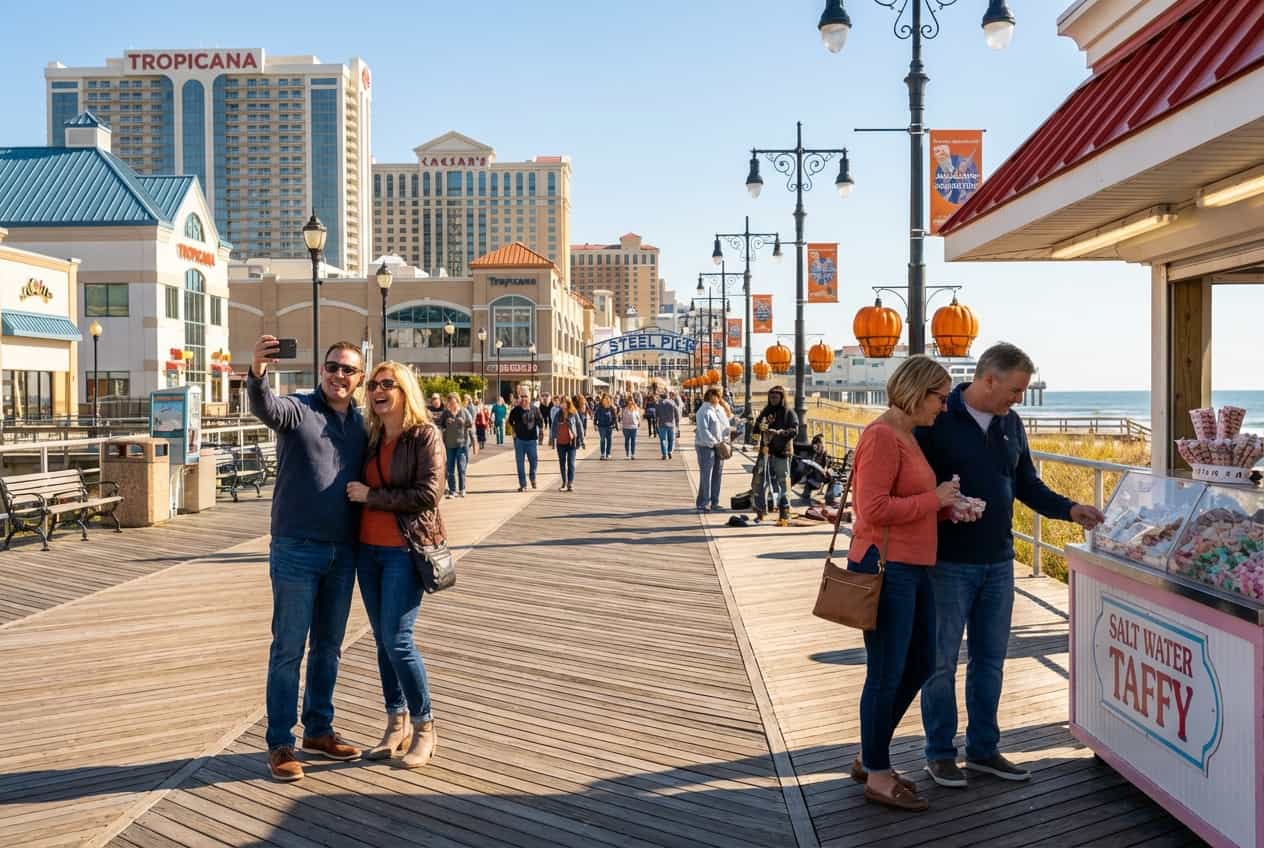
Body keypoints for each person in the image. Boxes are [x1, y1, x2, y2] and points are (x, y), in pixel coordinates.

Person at [916, 343, 1105, 788]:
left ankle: (983, 750)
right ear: (988, 379)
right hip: (947, 563)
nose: (1019, 398)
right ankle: (940, 753)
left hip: (999, 563)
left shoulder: (1011, 423)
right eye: (1016, 389)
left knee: (991, 661)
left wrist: (1070, 508)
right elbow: (915, 485)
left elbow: (1026, 484)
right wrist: (944, 505)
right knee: (940, 663)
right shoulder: (938, 419)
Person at [248, 335, 367, 782]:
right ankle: (280, 742)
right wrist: (258, 372)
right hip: (296, 548)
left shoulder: (361, 424)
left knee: (329, 649)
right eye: (332, 367)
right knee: (288, 648)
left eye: (348, 370)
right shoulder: (299, 410)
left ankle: (319, 729)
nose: (339, 375)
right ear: (322, 371)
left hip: (344, 551)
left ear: (359, 378)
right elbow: (266, 408)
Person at [847, 355, 962, 811]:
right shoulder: (881, 436)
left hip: (912, 567)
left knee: (918, 664)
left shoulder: (907, 437)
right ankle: (876, 773)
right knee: (886, 672)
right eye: (939, 397)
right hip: (886, 567)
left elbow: (906, 500)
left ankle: (870, 755)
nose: (944, 407)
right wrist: (931, 500)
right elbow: (871, 509)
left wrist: (943, 506)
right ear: (916, 391)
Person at [345, 360, 444, 769]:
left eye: (388, 384)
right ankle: (395, 722)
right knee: (383, 640)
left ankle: (426, 727)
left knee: (398, 639)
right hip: (367, 552)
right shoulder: (370, 438)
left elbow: (429, 493)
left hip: (405, 550)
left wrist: (372, 496)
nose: (378, 390)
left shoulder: (424, 436)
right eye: (372, 385)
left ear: (405, 391)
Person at [754, 386, 799, 526]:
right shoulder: (765, 411)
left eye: (776, 396)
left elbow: (794, 430)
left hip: (782, 452)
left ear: (781, 397)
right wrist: (756, 437)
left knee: (783, 483)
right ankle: (761, 510)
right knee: (759, 480)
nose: (773, 399)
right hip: (766, 452)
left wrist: (779, 433)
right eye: (771, 396)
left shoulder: (788, 412)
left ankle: (784, 513)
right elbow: (756, 428)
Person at [693, 387, 730, 512]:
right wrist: (715, 443)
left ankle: (715, 501)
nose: (720, 398)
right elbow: (704, 431)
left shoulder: (719, 410)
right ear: (711, 396)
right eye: (718, 395)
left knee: (717, 474)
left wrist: (725, 440)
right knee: (706, 474)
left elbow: (725, 426)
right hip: (705, 447)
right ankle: (703, 502)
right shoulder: (703, 411)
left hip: (719, 445)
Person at [437, 393, 473, 497]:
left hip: (462, 444)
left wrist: (464, 422)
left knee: (461, 467)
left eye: (454, 402)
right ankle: (452, 490)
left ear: (458, 402)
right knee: (450, 469)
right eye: (450, 403)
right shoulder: (446, 413)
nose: (453, 405)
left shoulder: (464, 411)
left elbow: (470, 424)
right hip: (449, 444)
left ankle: (462, 489)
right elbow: (440, 425)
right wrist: (445, 425)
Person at [508, 390, 544, 491]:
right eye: (522, 396)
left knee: (534, 461)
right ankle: (523, 485)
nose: (524, 398)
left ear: (529, 397)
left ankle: (532, 477)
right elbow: (510, 421)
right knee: (520, 463)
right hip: (519, 441)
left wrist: (541, 431)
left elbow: (540, 421)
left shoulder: (535, 409)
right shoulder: (516, 410)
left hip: (532, 440)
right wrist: (513, 431)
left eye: (526, 396)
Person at [550, 397, 585, 492]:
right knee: (562, 463)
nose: (563, 404)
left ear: (569, 403)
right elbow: (553, 427)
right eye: (562, 403)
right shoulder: (558, 414)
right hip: (560, 442)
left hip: (571, 442)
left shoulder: (573, 413)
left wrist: (582, 440)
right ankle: (564, 482)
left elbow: (579, 425)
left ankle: (570, 483)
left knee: (571, 463)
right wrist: (552, 440)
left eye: (565, 403)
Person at [655, 392, 680, 460]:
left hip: (662, 424)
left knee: (663, 440)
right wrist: (677, 423)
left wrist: (656, 423)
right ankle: (670, 451)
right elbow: (677, 413)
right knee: (671, 439)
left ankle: (664, 454)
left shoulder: (658, 403)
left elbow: (656, 415)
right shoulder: (672, 402)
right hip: (671, 424)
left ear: (661, 397)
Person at [594, 394, 617, 460]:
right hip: (601, 426)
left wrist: (613, 424)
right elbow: (595, 416)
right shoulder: (599, 408)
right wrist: (595, 424)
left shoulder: (611, 408)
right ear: (602, 400)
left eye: (607, 399)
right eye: (605, 399)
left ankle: (608, 454)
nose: (606, 400)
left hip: (609, 426)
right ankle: (602, 454)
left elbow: (615, 417)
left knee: (609, 440)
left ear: (609, 400)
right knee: (602, 440)